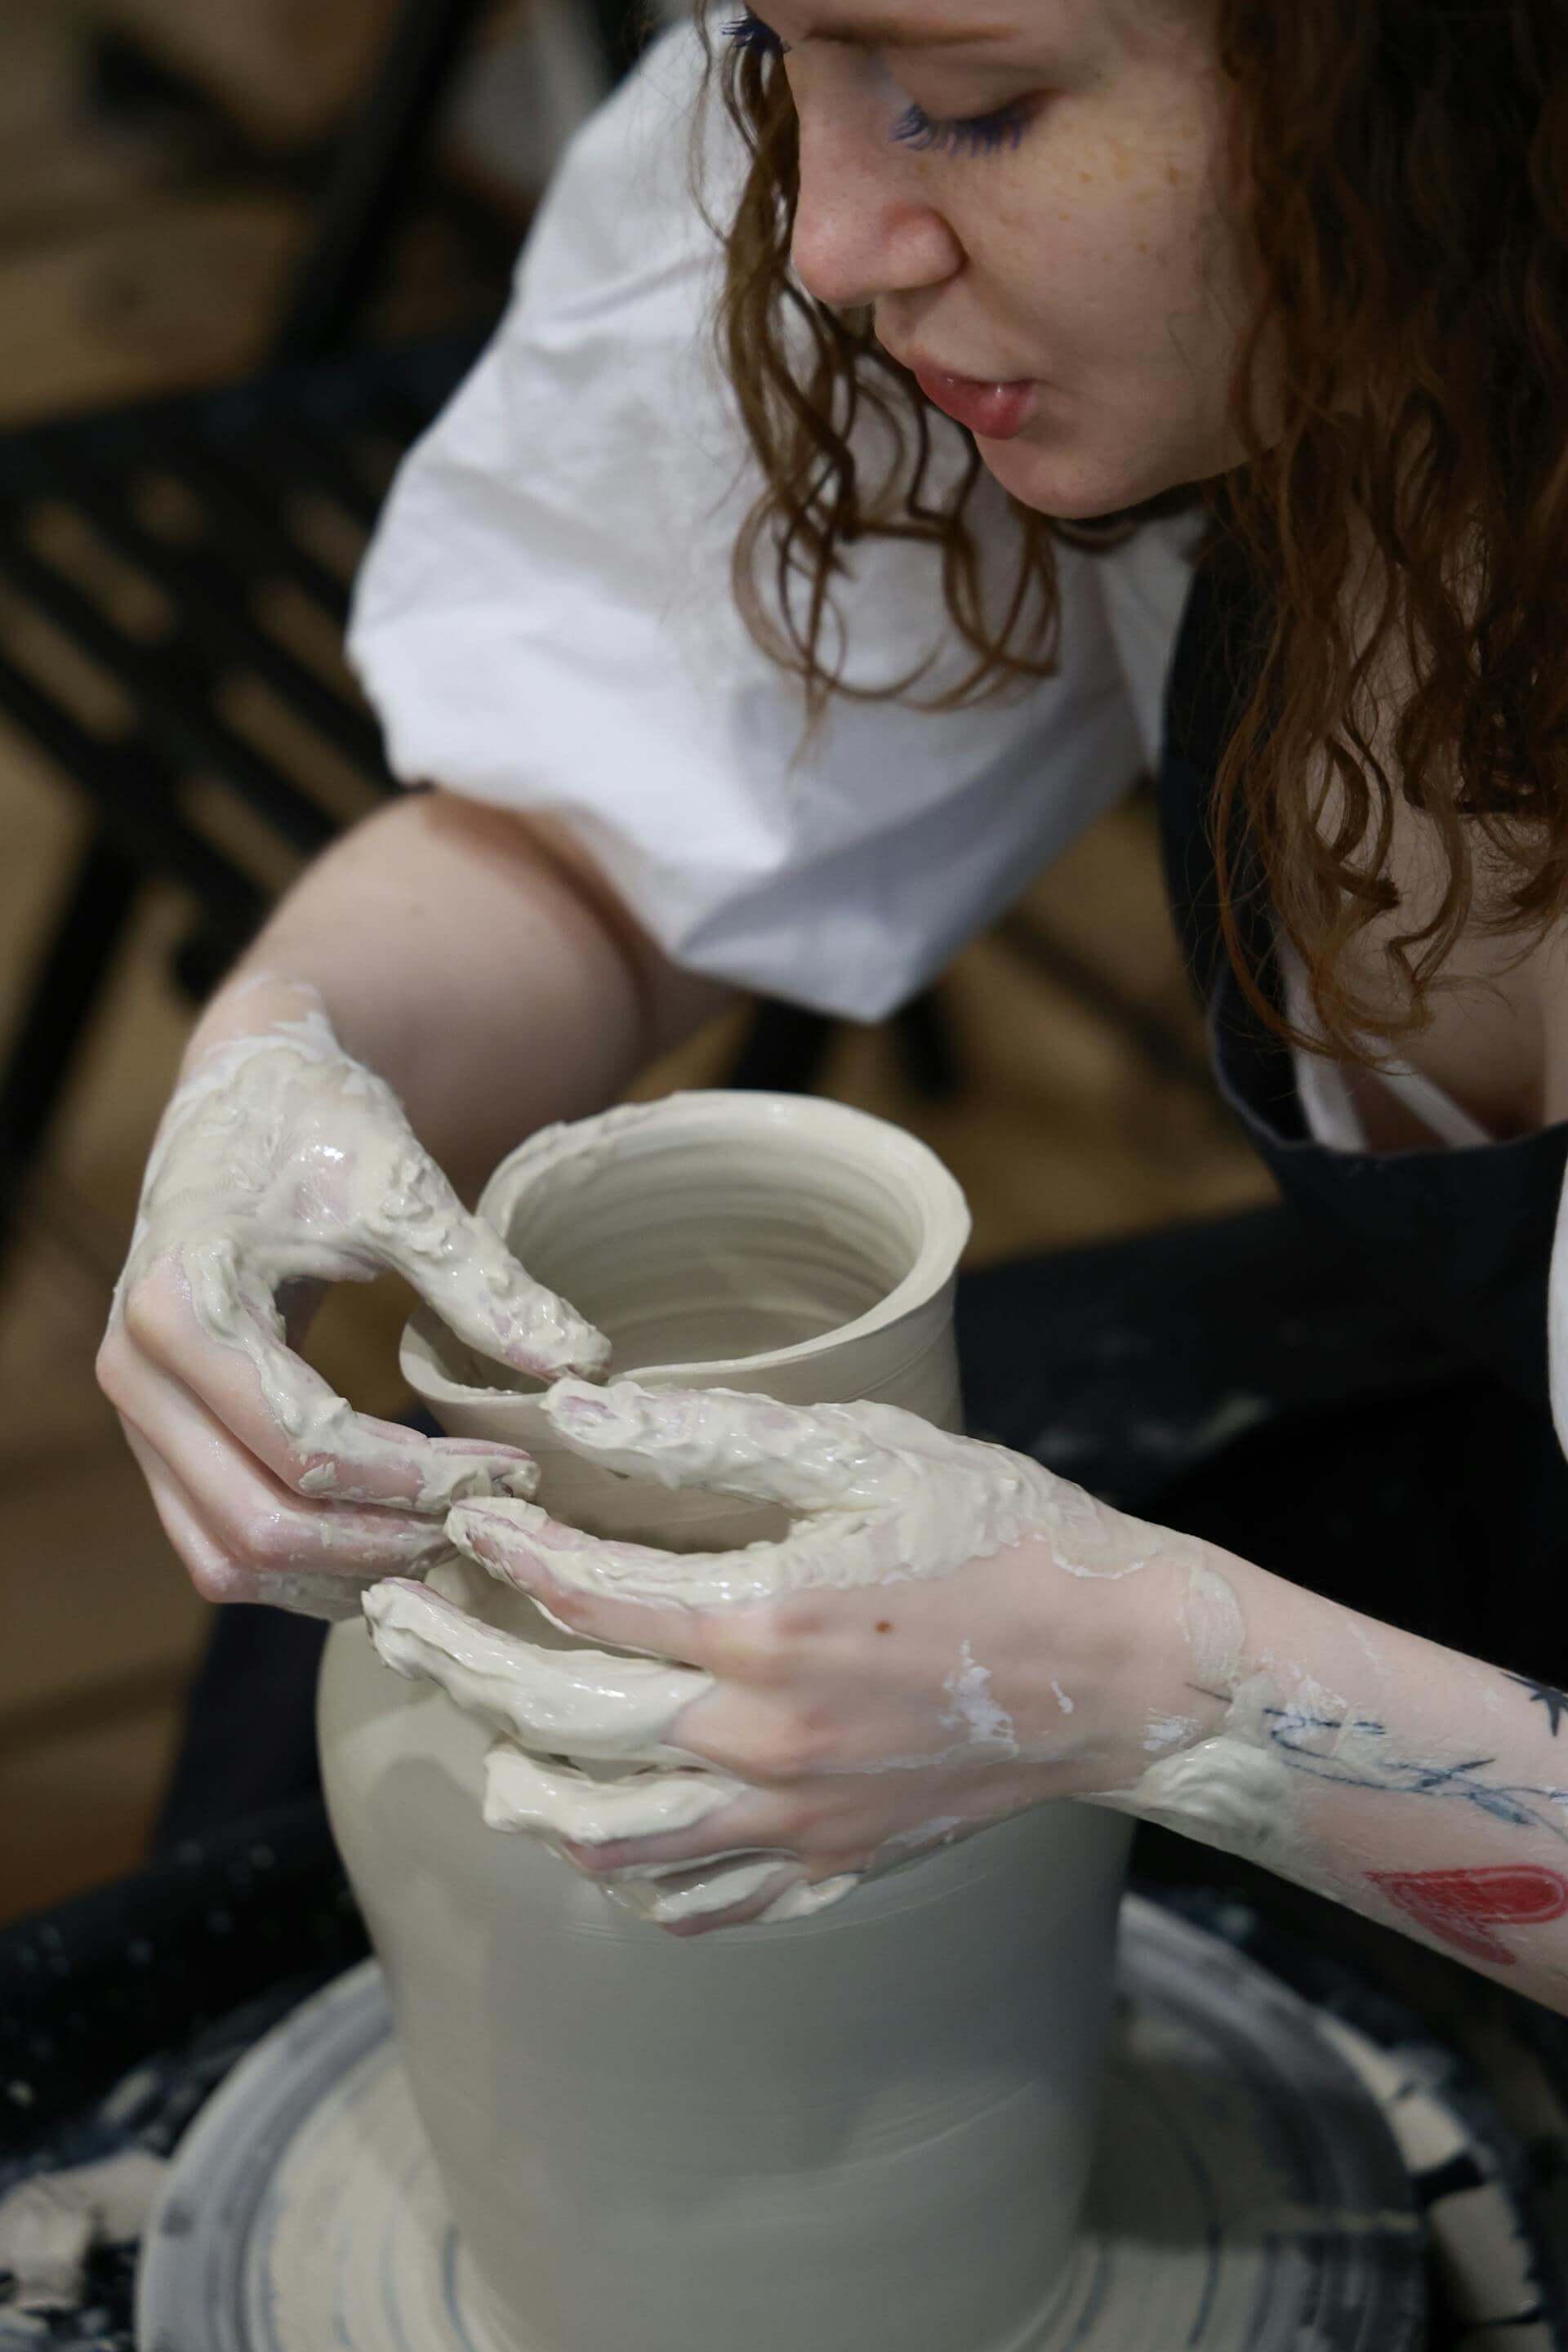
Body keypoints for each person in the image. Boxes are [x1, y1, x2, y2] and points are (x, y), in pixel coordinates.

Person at [96, 0, 1568, 2004]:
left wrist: (1179, 1696)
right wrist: (282, 1050)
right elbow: (592, 857)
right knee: (389, 1628)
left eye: (971, 108)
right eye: (780, 51)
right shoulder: (1034, 235)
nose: (829, 233)